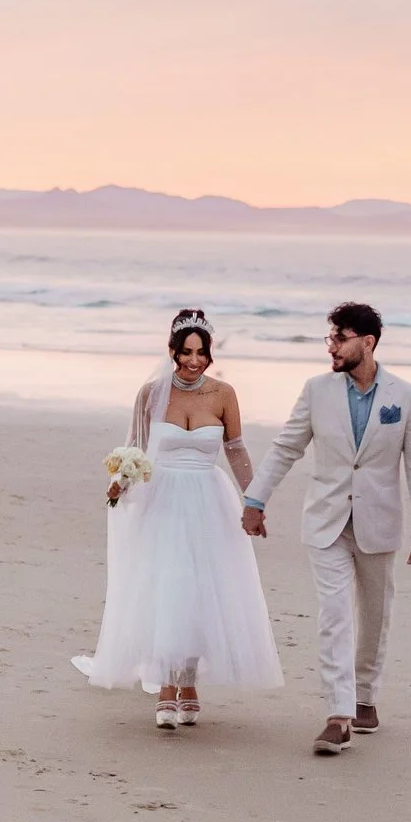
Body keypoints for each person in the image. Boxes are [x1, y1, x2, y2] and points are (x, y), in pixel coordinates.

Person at [242, 302, 411, 755]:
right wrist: (255, 498)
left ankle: (365, 696)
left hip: (379, 522)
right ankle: (339, 714)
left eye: (340, 338)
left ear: (367, 343)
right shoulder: (316, 391)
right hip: (327, 521)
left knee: (374, 614)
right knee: (334, 615)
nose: (331, 346)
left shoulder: (405, 396)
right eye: (329, 337)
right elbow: (286, 447)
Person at [73, 309, 282, 728]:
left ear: (209, 354)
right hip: (162, 500)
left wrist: (254, 500)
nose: (193, 361)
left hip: (209, 501)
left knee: (201, 589)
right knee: (169, 586)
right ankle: (167, 688)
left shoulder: (224, 394)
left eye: (200, 353)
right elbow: (135, 448)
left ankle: (189, 684)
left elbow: (236, 450)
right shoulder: (151, 393)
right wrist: (120, 483)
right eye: (185, 352)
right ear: (172, 352)